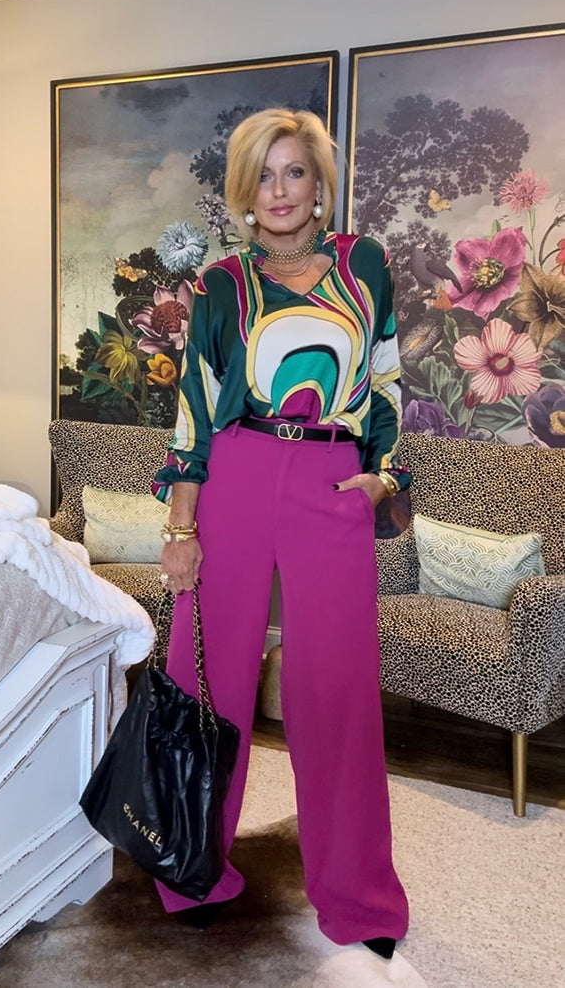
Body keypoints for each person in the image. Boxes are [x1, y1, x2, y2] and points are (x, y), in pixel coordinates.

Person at [152, 108, 421, 982]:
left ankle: (358, 897)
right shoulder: (221, 285)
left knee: (335, 686)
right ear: (244, 190)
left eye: (294, 172)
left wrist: (382, 477)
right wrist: (181, 527)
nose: (279, 190)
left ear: (318, 183)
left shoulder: (363, 265)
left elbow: (387, 381)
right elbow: (194, 411)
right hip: (234, 473)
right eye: (263, 175)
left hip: (330, 480)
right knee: (208, 679)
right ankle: (192, 869)